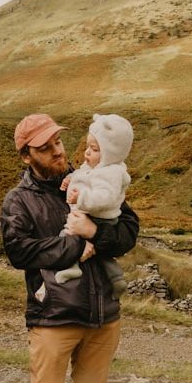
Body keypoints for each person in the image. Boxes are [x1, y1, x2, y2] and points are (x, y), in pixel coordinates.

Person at [0, 114, 140, 383]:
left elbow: (129, 229)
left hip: (103, 311)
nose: (58, 151)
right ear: (27, 156)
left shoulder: (95, 177)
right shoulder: (18, 200)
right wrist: (76, 248)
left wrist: (96, 233)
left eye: (59, 142)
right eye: (45, 147)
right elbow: (20, 252)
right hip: (54, 313)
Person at [54, 113, 133, 299]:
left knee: (65, 235)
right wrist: (70, 179)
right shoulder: (97, 168)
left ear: (111, 153)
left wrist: (81, 198)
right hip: (95, 217)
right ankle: (116, 279)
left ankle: (71, 267)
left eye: (94, 149)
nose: (87, 152)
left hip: (99, 217)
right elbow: (84, 175)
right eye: (88, 147)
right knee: (102, 253)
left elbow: (105, 197)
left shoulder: (111, 173)